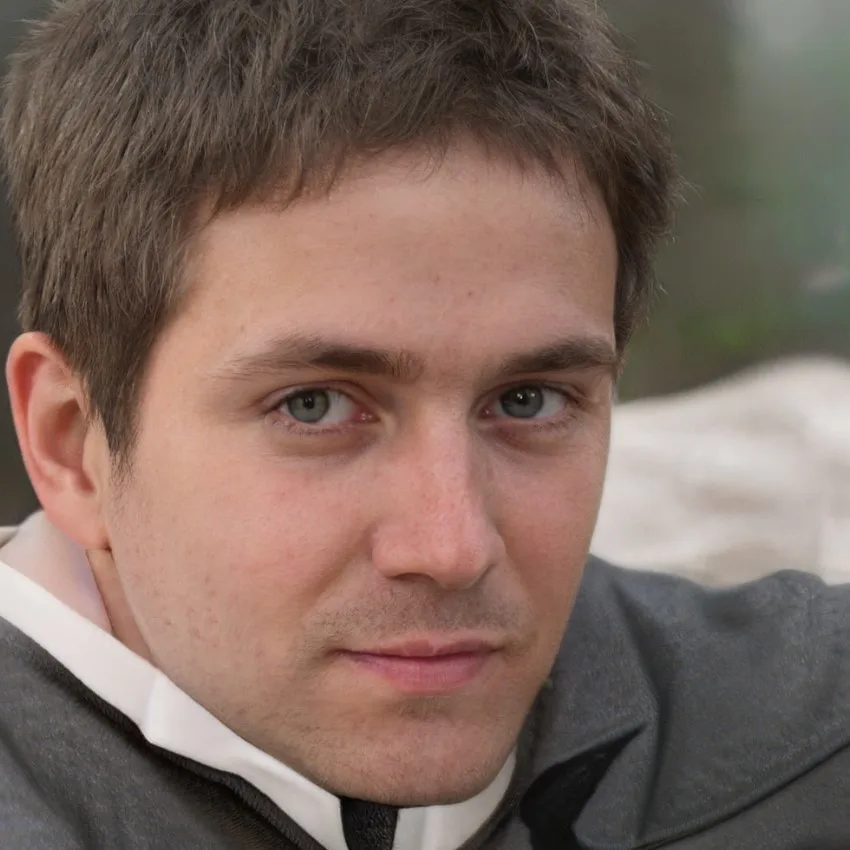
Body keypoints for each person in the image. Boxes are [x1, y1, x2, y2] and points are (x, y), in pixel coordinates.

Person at [0, 1, 848, 848]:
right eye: (315, 406)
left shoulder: (802, 738)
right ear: (72, 443)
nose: (452, 547)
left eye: (529, 400)